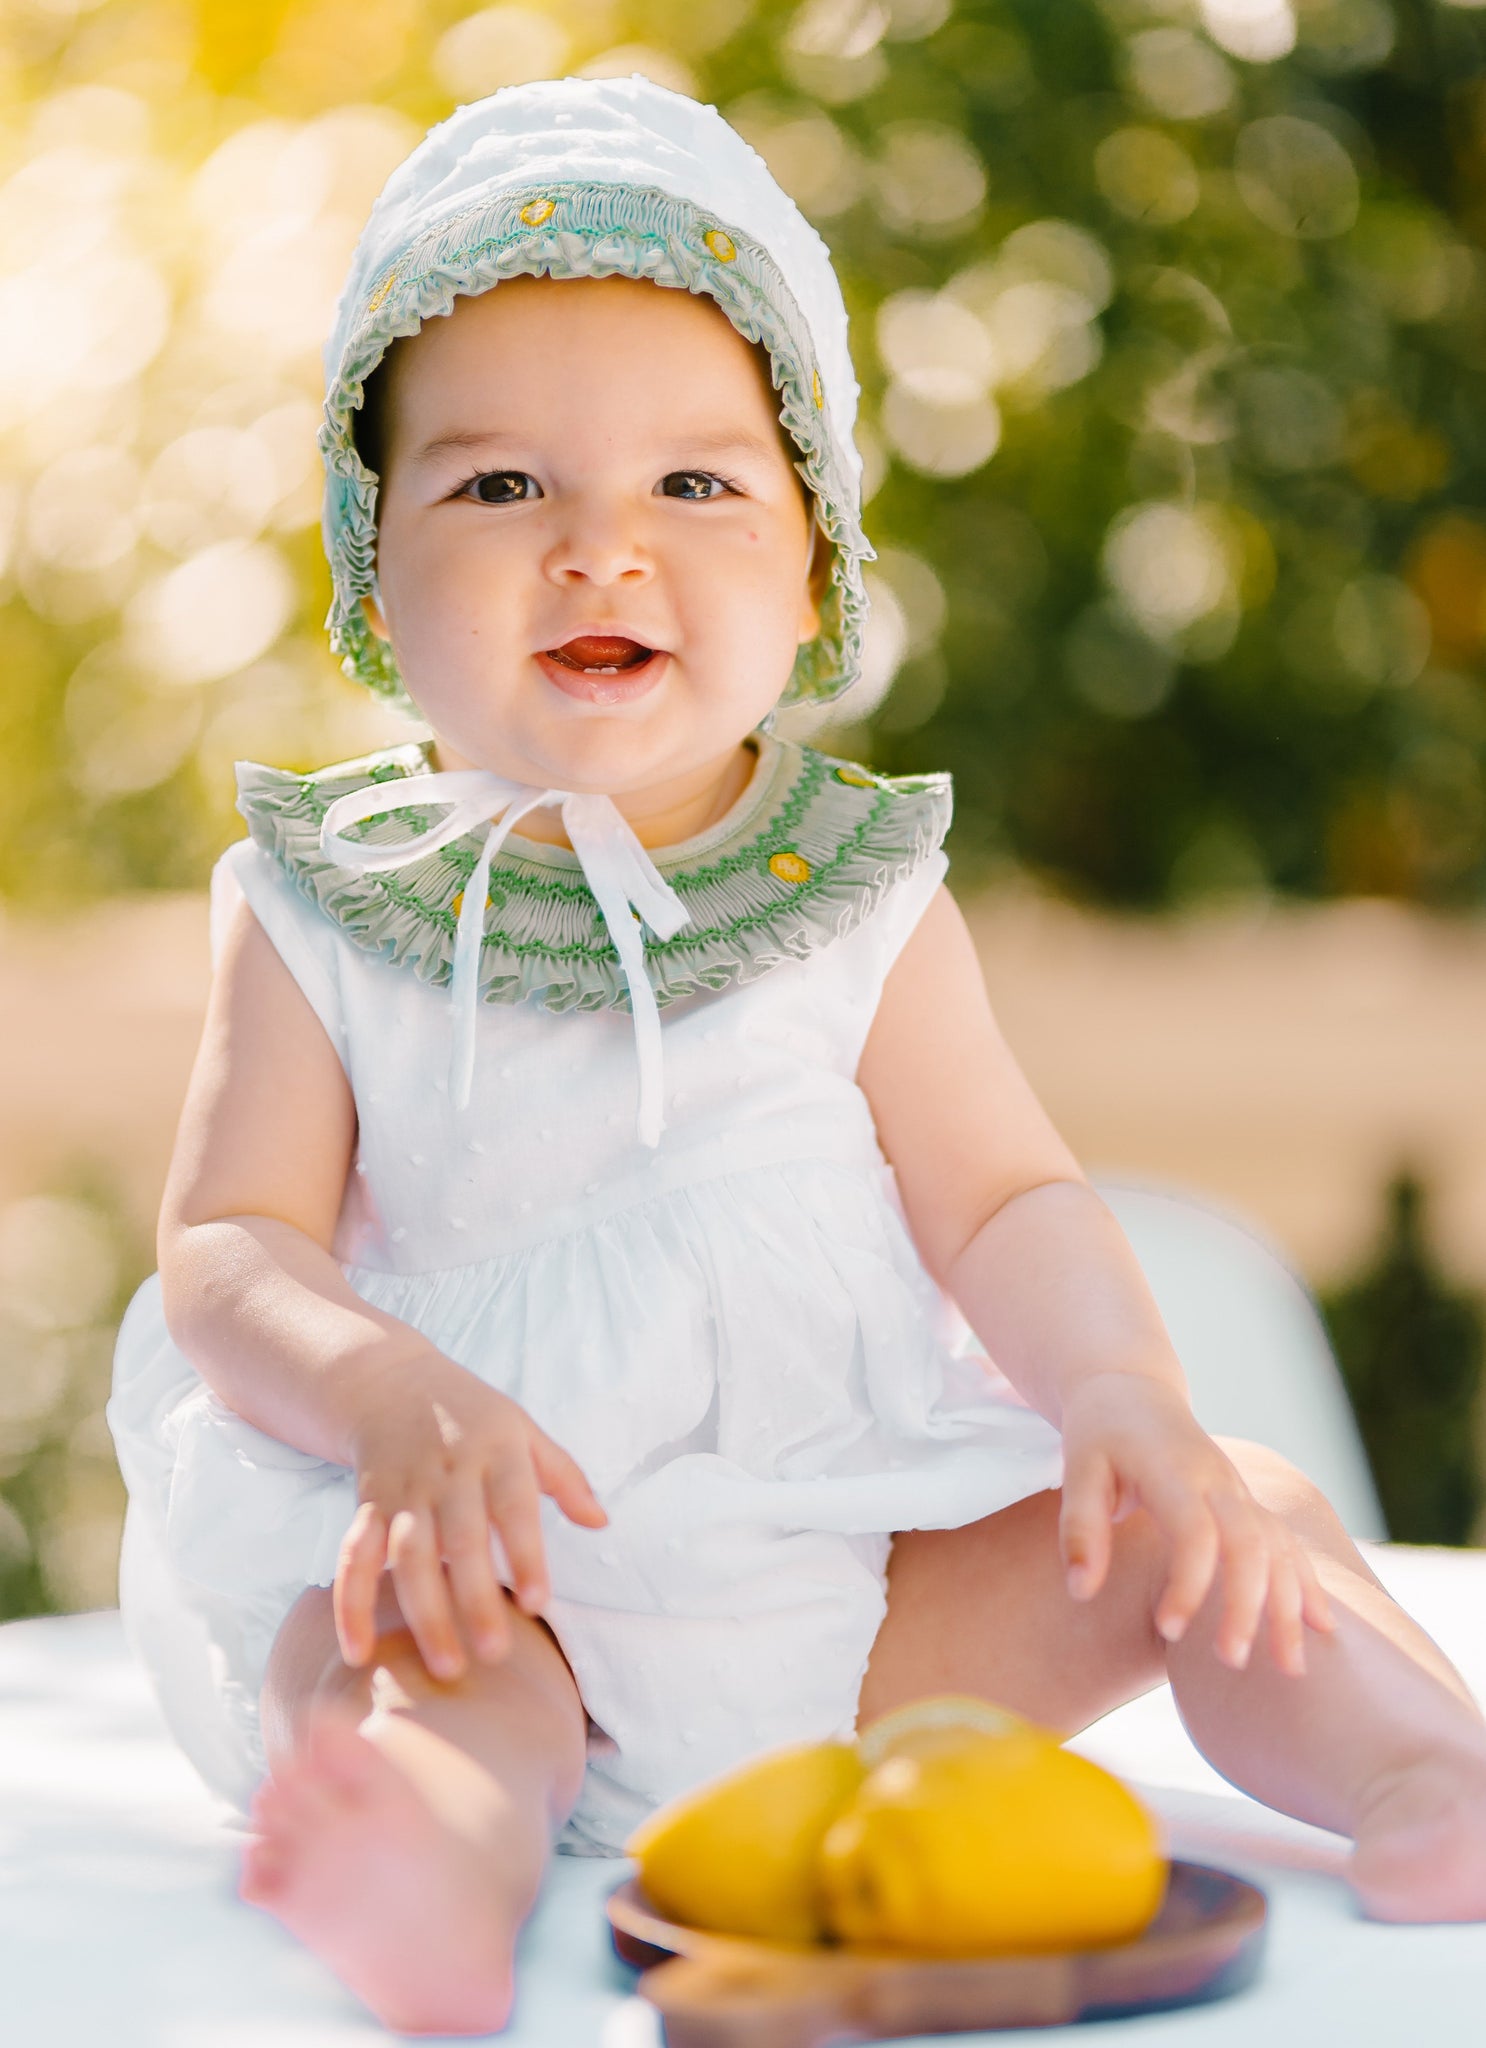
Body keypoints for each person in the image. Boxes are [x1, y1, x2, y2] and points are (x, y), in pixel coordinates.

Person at [108, 74, 1486, 2039]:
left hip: (848, 1611)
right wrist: (391, 1397)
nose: (598, 547)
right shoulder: (328, 901)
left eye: (694, 483)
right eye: (499, 486)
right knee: (406, 1662)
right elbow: (229, 1247)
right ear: (366, 552)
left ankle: (1421, 1778)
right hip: (504, 1570)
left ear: (816, 549)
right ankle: (423, 1856)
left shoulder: (852, 891)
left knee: (1229, 1515)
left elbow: (1000, 1192)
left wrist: (1116, 1392)